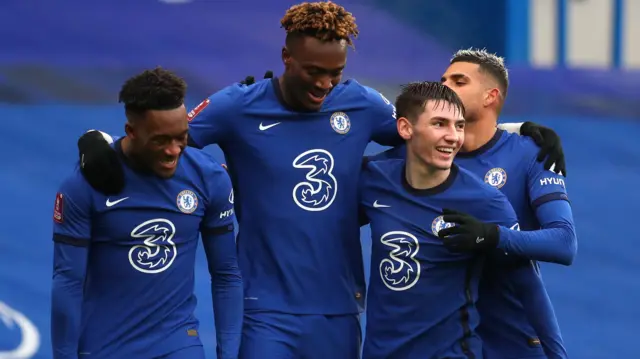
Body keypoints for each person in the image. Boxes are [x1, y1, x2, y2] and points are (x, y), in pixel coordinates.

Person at [72, 2, 566, 357]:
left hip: (341, 310)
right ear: (286, 57)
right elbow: (161, 141)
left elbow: (428, 135)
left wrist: (510, 132)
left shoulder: (363, 104)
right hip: (265, 309)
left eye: (335, 73)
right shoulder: (235, 107)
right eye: (313, 71)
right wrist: (97, 140)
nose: (324, 85)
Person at [371, 49, 577, 359]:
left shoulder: (531, 152)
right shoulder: (417, 155)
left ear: (490, 96)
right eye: (443, 79)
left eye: (459, 80)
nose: (445, 85)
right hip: (445, 340)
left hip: (512, 335)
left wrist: (491, 236)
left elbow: (564, 242)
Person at [51, 68, 242, 359]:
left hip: (177, 341)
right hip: (104, 346)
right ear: (131, 132)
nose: (174, 151)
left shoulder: (209, 179)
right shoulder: (85, 186)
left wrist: (229, 354)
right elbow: (68, 280)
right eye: (160, 141)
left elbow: (227, 274)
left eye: (181, 138)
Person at [360, 81, 521, 358]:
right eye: (439, 124)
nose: (454, 136)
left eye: (459, 125)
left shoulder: (485, 202)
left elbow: (526, 285)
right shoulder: (374, 179)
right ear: (405, 128)